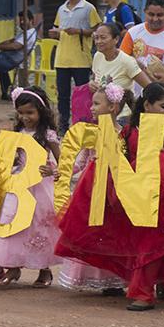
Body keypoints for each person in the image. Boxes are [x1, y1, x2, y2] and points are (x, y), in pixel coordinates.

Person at [55, 83, 164, 311]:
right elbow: (122, 160)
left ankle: (144, 292)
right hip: (135, 189)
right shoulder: (129, 130)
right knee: (141, 239)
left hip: (162, 190)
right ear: (147, 105)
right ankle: (153, 283)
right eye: (163, 106)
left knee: (156, 238)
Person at [0, 86, 62, 287]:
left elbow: (63, 161)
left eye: (30, 112)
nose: (25, 117)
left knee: (38, 224)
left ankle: (44, 270)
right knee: (12, 220)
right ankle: (13, 266)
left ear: (40, 112)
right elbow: (8, 158)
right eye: (21, 113)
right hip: (17, 183)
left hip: (39, 186)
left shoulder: (48, 135)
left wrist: (52, 169)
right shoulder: (16, 133)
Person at [57, 83, 130, 296]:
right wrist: (64, 172)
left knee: (112, 231)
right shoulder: (91, 132)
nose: (91, 108)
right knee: (92, 231)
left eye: (97, 104)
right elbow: (80, 160)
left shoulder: (123, 133)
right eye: (92, 103)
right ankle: (92, 274)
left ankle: (113, 278)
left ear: (113, 107)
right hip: (91, 189)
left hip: (116, 189)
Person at [48, 0, 101, 132]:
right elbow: (58, 28)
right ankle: (63, 125)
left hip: (81, 59)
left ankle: (82, 123)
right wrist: (56, 33)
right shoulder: (61, 9)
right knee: (62, 95)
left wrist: (78, 31)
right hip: (62, 59)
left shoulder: (88, 8)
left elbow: (96, 29)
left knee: (82, 94)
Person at [89, 22, 151, 117]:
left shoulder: (126, 61)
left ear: (116, 39)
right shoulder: (98, 56)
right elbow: (95, 78)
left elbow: (149, 87)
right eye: (96, 38)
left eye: (103, 37)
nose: (98, 41)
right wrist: (91, 83)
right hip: (102, 115)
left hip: (122, 116)